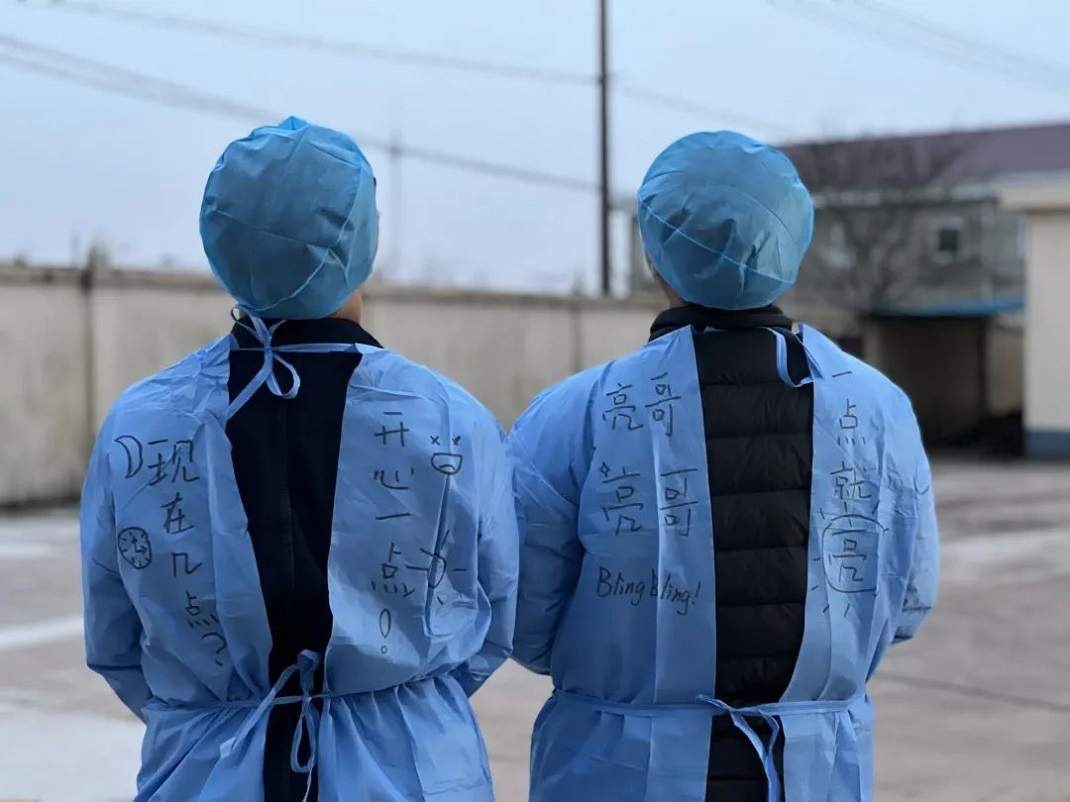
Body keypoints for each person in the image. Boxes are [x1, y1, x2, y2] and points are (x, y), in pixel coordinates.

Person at [80, 116, 518, 802]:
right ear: (363, 239)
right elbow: (491, 619)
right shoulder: (451, 418)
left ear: (219, 240)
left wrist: (220, 717)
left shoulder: (142, 423)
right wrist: (394, 709)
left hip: (204, 773)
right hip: (412, 771)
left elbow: (116, 641)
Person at [508, 131, 939, 802]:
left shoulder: (576, 413)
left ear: (655, 254)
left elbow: (521, 616)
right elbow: (907, 600)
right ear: (791, 244)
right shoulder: (879, 408)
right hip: (813, 769)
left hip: (618, 767)